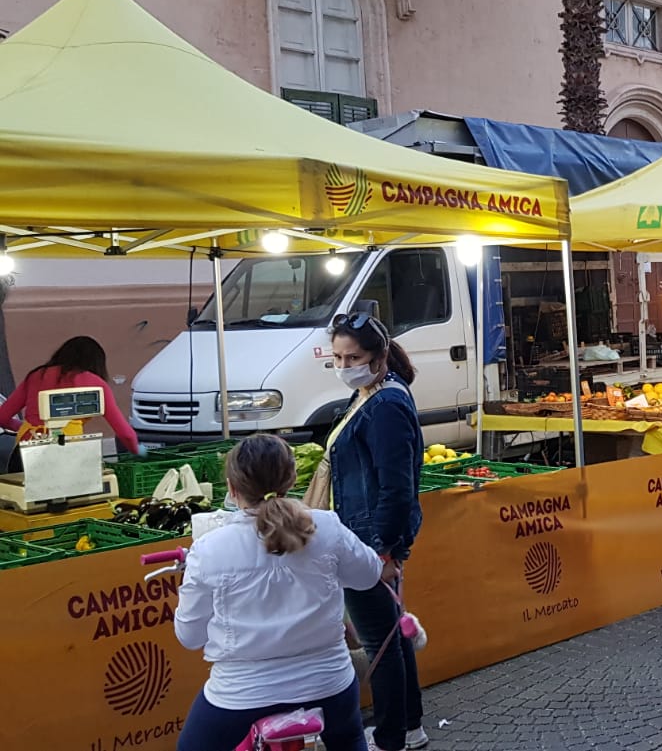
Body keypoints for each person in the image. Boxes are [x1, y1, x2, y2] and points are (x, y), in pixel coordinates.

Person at [173, 434, 381, 751]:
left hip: (241, 694)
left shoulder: (210, 549)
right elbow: (368, 576)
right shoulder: (326, 526)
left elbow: (189, 636)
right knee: (349, 738)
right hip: (327, 683)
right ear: (292, 478)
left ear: (232, 488)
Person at [322, 313, 426, 751]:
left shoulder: (385, 406)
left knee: (379, 642)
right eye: (338, 358)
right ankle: (409, 726)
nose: (346, 365)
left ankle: (390, 736)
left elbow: (396, 487)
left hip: (370, 540)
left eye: (355, 357)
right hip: (366, 535)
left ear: (380, 356)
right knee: (392, 635)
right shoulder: (372, 394)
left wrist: (381, 550)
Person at [0, 336, 140, 473]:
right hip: (67, 453)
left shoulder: (36, 375)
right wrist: (140, 453)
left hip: (25, 451)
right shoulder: (95, 383)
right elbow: (125, 434)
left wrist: (25, 427)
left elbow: (2, 416)